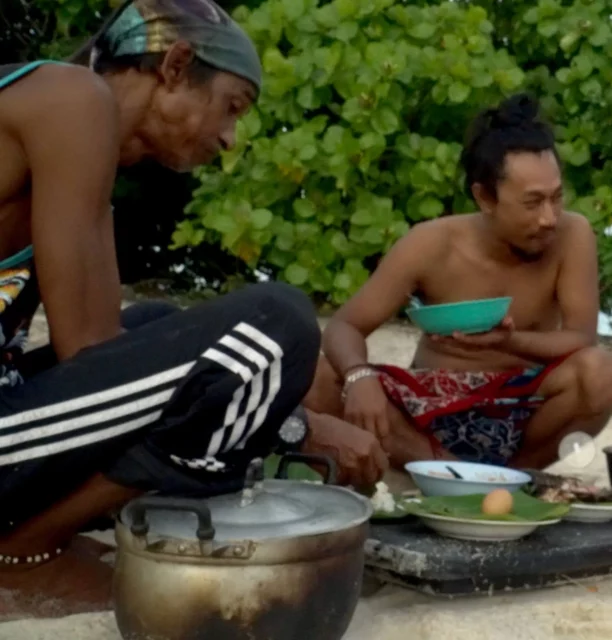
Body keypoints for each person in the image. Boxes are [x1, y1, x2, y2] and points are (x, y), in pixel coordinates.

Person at [0, 0, 384, 618]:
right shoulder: (71, 100)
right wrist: (292, 424)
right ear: (176, 65)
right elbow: (90, 354)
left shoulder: (74, 135)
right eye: (232, 107)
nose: (230, 138)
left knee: (153, 324)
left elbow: (105, 352)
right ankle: (23, 552)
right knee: (276, 327)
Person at [306, 93, 612, 471]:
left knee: (600, 373)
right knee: (314, 375)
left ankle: (513, 478)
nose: (549, 217)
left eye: (557, 197)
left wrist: (511, 340)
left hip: (524, 410)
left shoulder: (573, 235)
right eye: (532, 203)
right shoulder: (430, 244)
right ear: (484, 197)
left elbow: (581, 339)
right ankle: (444, 469)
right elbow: (344, 326)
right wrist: (359, 376)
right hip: (425, 414)